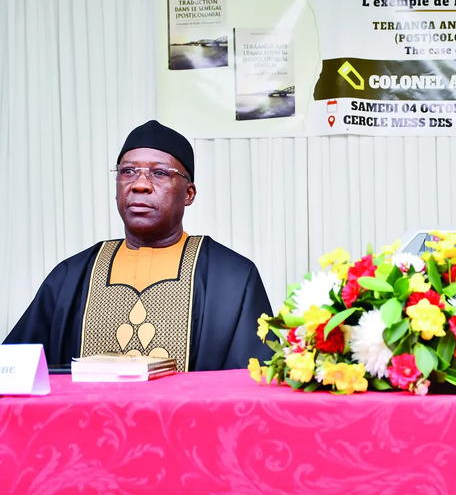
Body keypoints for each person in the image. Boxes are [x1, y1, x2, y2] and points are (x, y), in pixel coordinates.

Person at [4, 120, 273, 372]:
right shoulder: (71, 276)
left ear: (188, 193)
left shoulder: (232, 278)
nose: (140, 184)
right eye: (128, 172)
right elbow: (15, 371)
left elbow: (254, 386)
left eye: (159, 173)